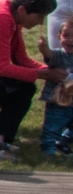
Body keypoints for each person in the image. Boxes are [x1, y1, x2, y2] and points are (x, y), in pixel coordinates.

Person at [0, 0, 65, 156]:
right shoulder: (1, 18)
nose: (40, 22)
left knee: (24, 88)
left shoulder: (13, 16)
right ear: (22, 9)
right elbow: (2, 68)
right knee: (13, 92)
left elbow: (20, 58)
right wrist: (44, 74)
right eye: (40, 16)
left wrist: (54, 72)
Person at [39, 18, 72, 158]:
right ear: (59, 37)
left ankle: (63, 140)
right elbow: (49, 56)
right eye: (66, 35)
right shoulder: (59, 55)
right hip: (58, 101)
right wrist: (44, 49)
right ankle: (48, 148)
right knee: (53, 126)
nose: (70, 40)